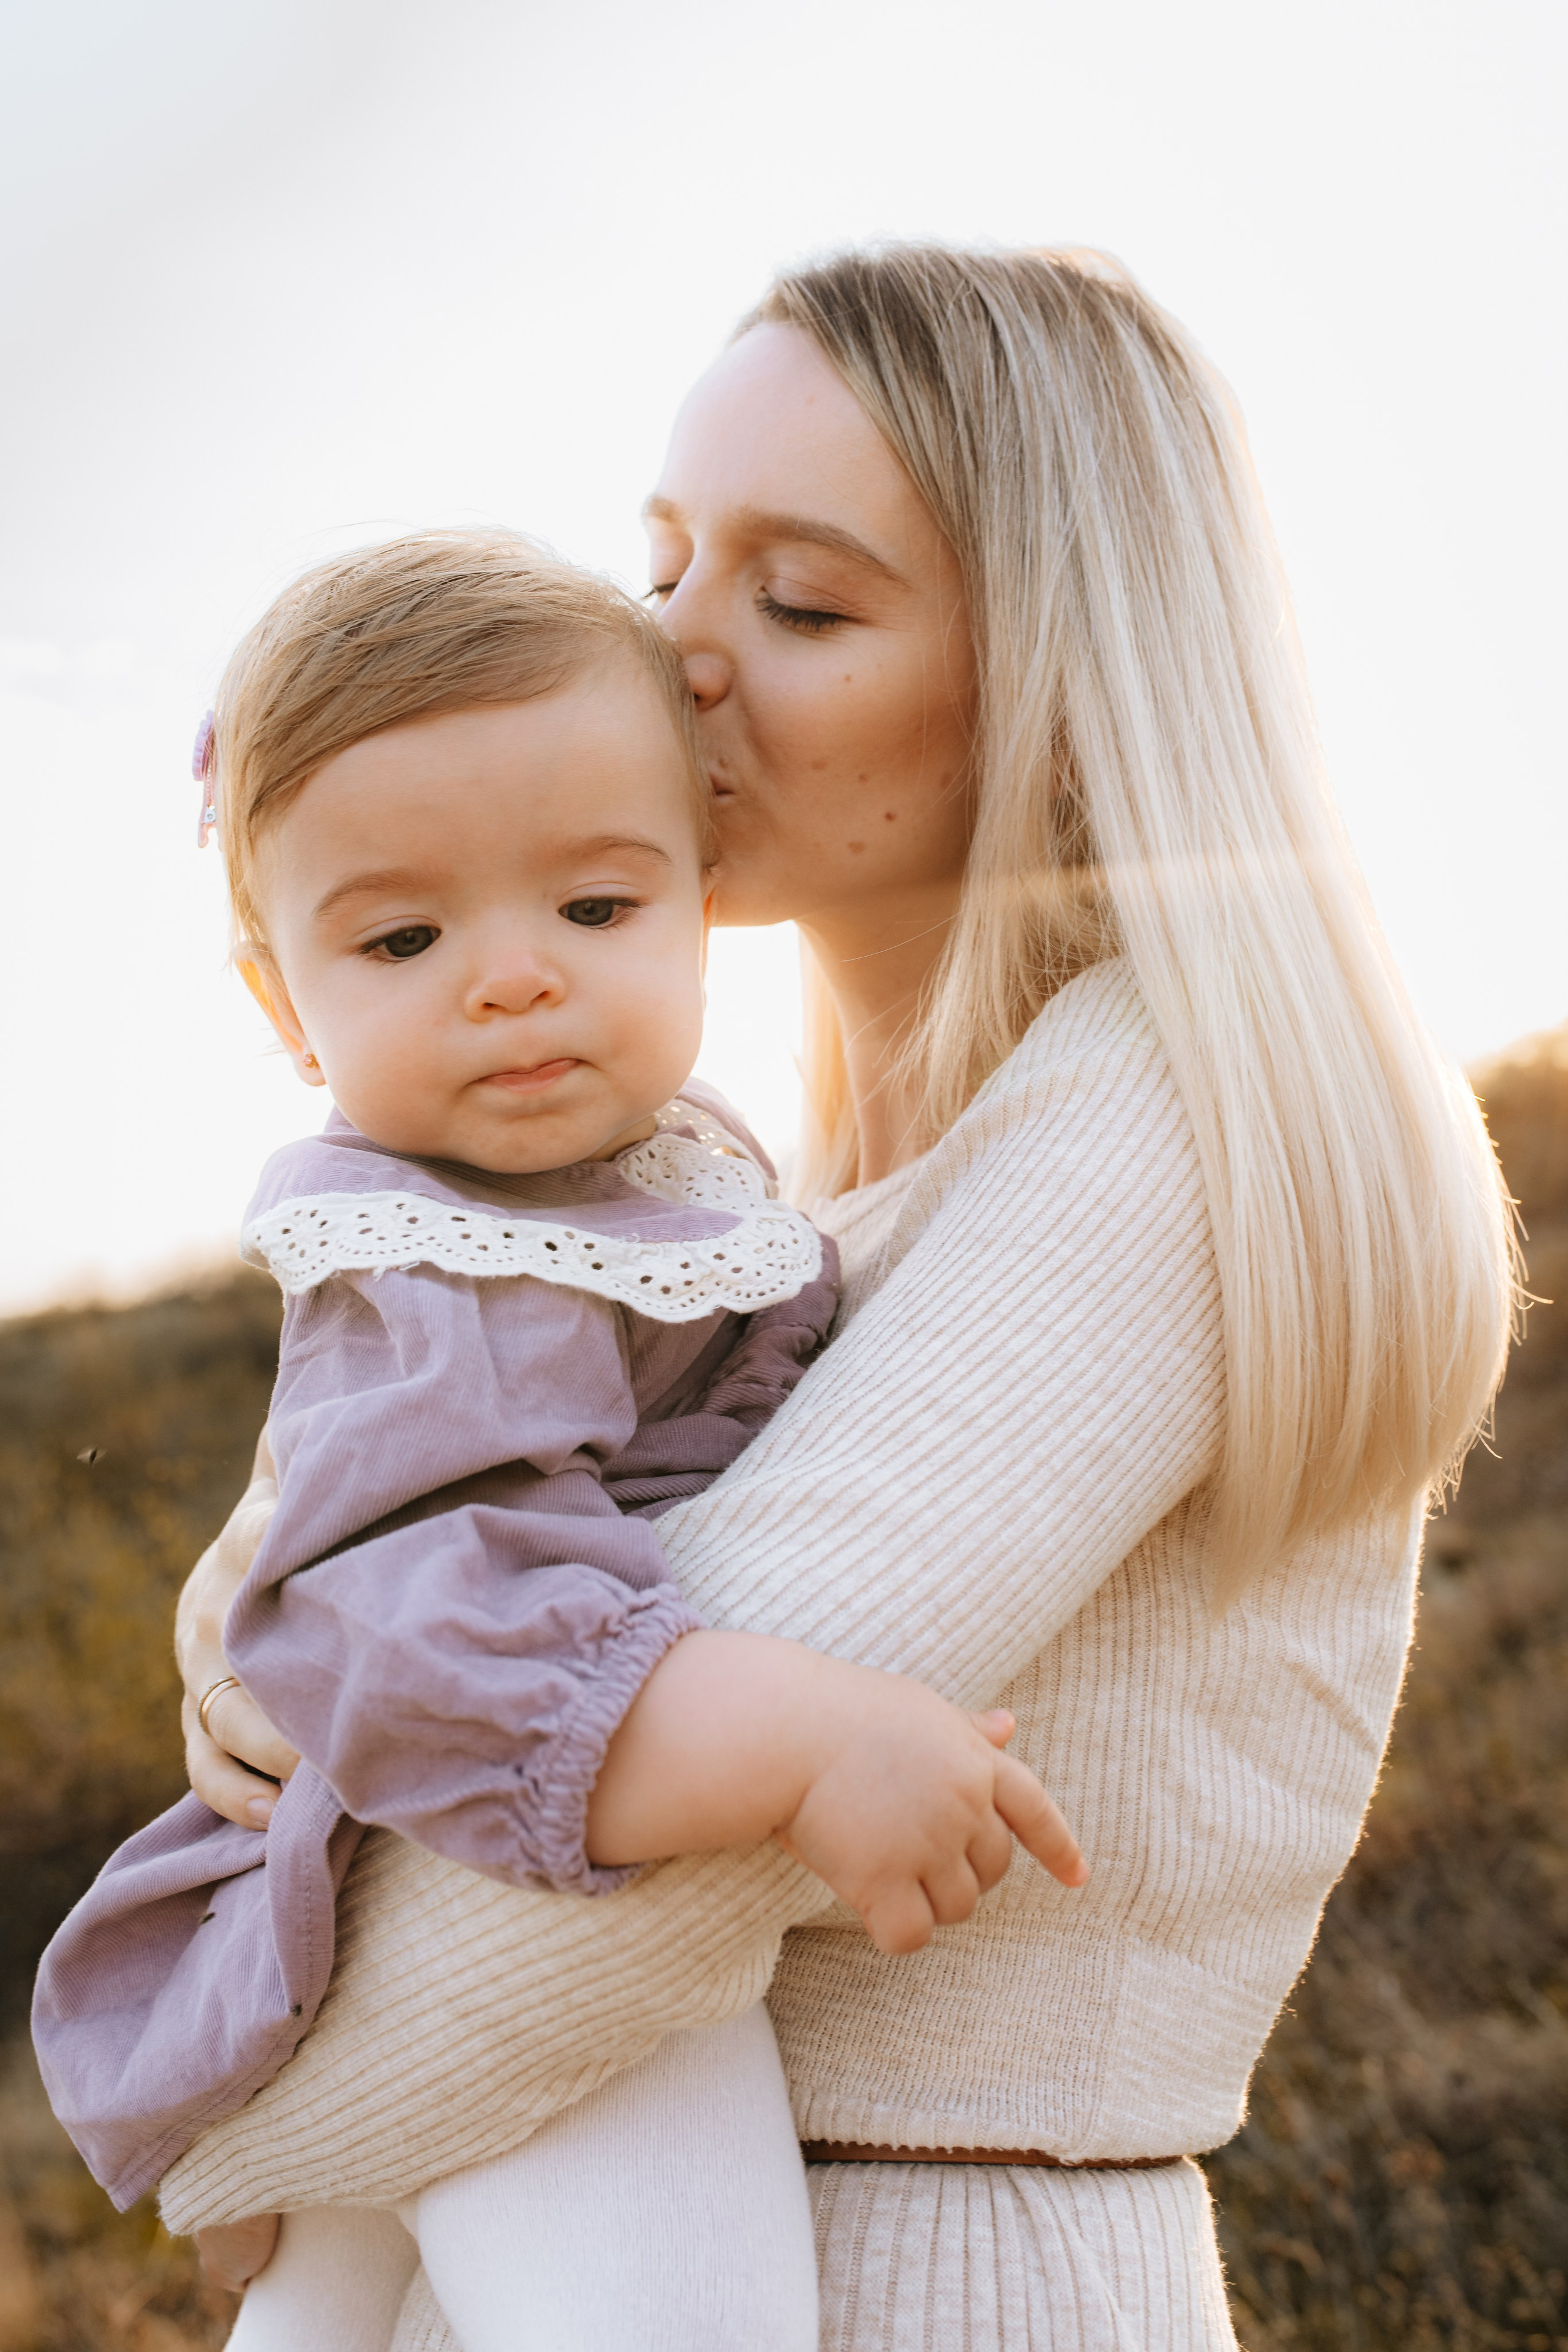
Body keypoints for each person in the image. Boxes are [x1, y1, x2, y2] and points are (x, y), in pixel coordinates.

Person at [170, 245, 1517, 2351]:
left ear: (1061, 676)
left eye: (798, 604)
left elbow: (599, 1903)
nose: (672, 654)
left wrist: (223, 2114)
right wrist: (277, 1636)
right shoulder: (758, 1213)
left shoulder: (1143, 1132)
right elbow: (409, 1598)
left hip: (923, 2285)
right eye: (669, 560)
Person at [31, 529, 1082, 2352]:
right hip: (492, 1907)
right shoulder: (433, 1265)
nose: (511, 978)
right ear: (286, 1005)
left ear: (699, 892)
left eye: (595, 910)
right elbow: (444, 1629)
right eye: (405, 936)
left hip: (469, 1904)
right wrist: (812, 1737)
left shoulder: (669, 1172)